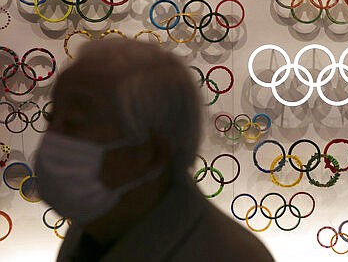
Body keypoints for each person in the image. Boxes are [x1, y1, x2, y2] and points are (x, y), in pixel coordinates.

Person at [35, 38, 274, 262]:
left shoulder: (231, 256)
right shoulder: (92, 229)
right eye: (52, 117)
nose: (53, 138)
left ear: (151, 154)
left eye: (75, 123)